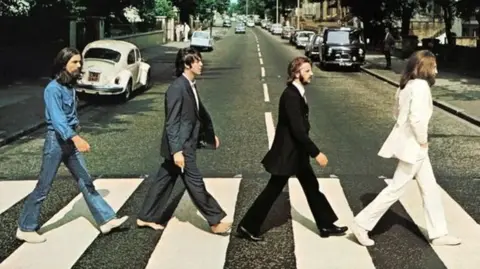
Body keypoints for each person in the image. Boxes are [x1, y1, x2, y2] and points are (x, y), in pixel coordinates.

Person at [16, 47, 128, 244]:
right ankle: (25, 228)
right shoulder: (52, 89)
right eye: (75, 62)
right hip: (57, 142)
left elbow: (69, 116)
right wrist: (76, 138)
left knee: (86, 181)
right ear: (63, 64)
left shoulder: (69, 87)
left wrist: (76, 129)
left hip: (69, 140)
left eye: (79, 62)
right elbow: (58, 120)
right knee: (44, 186)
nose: (79, 65)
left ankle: (106, 220)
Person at [351, 50, 461, 247]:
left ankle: (438, 233)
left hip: (411, 145)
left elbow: (397, 114)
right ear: (424, 68)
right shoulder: (420, 86)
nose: (436, 70)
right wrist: (422, 141)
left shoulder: (405, 85)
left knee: (430, 189)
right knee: (395, 189)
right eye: (434, 66)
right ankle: (362, 224)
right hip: (415, 147)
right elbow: (416, 119)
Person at [236, 56, 348, 241]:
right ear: (296, 74)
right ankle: (247, 226)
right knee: (273, 190)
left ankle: (326, 224)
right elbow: (298, 131)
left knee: (312, 187)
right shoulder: (290, 96)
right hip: (288, 154)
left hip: (297, 154)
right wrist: (316, 153)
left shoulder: (297, 92)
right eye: (306, 71)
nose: (311, 74)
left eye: (310, 70)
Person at [136, 47, 231, 234]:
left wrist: (209, 137)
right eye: (197, 61)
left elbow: (196, 116)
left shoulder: (189, 85)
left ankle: (145, 217)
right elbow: (171, 123)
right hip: (181, 146)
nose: (201, 64)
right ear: (187, 65)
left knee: (163, 180)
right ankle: (215, 220)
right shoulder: (177, 88)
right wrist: (176, 151)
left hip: (186, 142)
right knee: (195, 183)